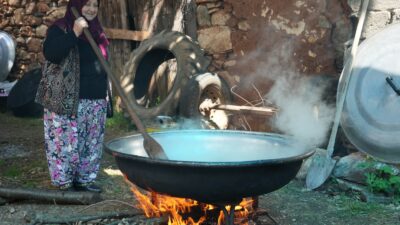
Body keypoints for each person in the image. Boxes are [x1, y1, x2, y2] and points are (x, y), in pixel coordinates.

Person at [35, 0, 109, 192]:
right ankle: (64, 181)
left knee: (90, 142)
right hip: (66, 99)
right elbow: (51, 54)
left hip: (95, 98)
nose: (92, 9)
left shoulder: (97, 31)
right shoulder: (60, 28)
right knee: (64, 142)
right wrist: (74, 33)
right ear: (77, 5)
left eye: (95, 5)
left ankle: (85, 179)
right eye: (87, 4)